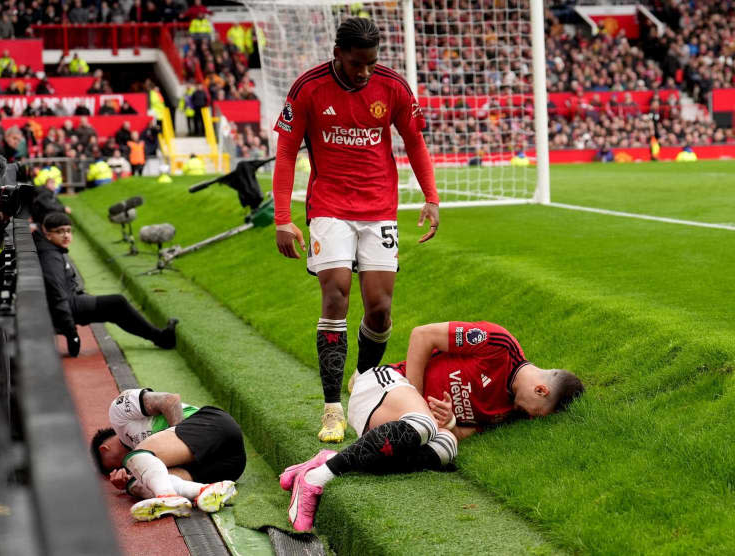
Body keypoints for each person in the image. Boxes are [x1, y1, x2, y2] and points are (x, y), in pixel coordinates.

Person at [272, 18, 440, 443]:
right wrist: (281, 216)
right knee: (336, 294)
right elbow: (287, 150)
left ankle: (363, 382)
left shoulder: (393, 86)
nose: (364, 71)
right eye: (355, 63)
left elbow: (415, 142)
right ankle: (332, 410)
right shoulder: (308, 88)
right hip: (329, 206)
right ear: (338, 53)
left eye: (371, 62)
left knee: (380, 309)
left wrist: (431, 198)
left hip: (380, 208)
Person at [281, 321, 585, 531]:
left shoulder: (510, 412)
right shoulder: (498, 344)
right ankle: (316, 480)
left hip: (391, 429)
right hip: (382, 385)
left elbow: (461, 433)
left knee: (446, 447)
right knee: (423, 424)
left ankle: (328, 460)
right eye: (538, 414)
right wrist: (416, 398)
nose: (530, 417)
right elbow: (422, 336)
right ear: (542, 391)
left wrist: (450, 422)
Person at [90, 387, 246, 521]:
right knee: (138, 485)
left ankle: (168, 497)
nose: (116, 468)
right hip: (230, 465)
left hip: (213, 426)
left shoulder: (118, 414)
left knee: (137, 458)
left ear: (104, 449)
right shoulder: (149, 462)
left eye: (111, 467)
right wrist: (127, 483)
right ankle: (206, 490)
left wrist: (177, 436)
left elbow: (170, 400)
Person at [35, 212, 179, 355]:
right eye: (59, 232)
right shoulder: (51, 258)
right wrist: (71, 334)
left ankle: (161, 338)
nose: (66, 236)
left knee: (116, 309)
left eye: (68, 231)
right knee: (117, 302)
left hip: (72, 301)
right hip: (68, 306)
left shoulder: (51, 250)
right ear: (48, 234)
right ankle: (161, 338)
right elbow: (57, 297)